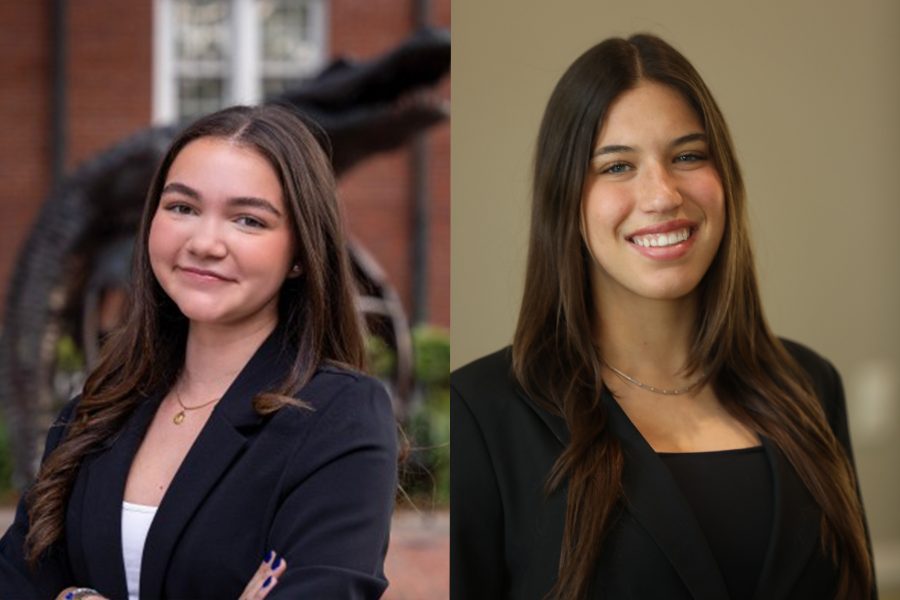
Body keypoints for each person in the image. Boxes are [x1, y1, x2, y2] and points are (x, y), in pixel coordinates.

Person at [451, 34, 876, 600]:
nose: (662, 194)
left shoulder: (810, 386)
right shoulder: (480, 415)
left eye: (688, 156)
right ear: (566, 199)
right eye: (618, 165)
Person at [0, 104, 398, 599]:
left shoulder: (340, 417)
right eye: (182, 208)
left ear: (299, 254)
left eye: (248, 220)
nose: (205, 243)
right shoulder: (96, 409)